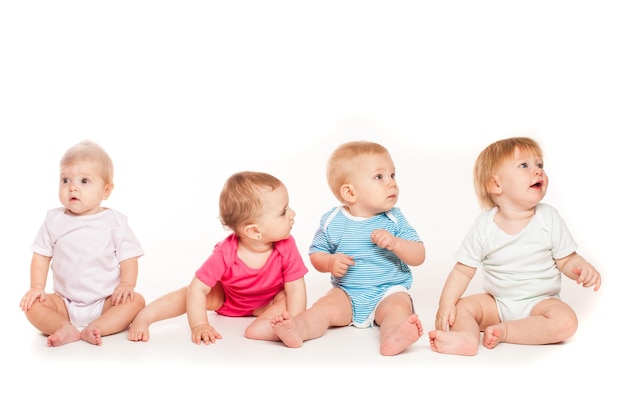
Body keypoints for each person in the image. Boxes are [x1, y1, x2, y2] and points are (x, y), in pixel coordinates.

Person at [429, 137, 601, 356]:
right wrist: (446, 304)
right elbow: (463, 270)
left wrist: (580, 267)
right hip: (497, 304)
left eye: (540, 165)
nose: (537, 171)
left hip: (541, 303)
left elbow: (566, 259)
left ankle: (506, 332)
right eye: (524, 165)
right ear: (496, 185)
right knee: (461, 308)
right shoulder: (484, 226)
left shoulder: (548, 218)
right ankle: (466, 338)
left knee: (566, 322)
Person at [271, 141, 425, 356]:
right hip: (347, 293)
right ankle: (299, 329)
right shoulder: (333, 221)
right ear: (350, 193)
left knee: (398, 308)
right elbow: (316, 254)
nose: (392, 183)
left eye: (393, 175)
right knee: (323, 308)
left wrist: (396, 244)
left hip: (388, 291)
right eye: (379, 177)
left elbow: (419, 255)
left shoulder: (394, 219)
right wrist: (330, 262)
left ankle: (394, 336)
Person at [128, 171, 307, 344]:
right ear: (254, 231)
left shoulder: (286, 245)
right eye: (283, 212)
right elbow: (198, 288)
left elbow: (295, 287)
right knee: (189, 293)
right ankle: (145, 316)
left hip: (268, 303)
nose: (292, 214)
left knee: (288, 298)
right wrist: (200, 325)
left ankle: (270, 326)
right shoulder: (225, 253)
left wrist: (296, 321)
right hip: (228, 300)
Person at [20, 140, 145, 347]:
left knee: (136, 301)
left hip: (105, 301)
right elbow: (41, 256)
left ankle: (99, 327)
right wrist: (36, 287)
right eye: (66, 180)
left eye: (84, 181)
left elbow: (128, 257)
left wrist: (126, 285)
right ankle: (63, 326)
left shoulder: (115, 222)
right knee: (32, 306)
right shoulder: (54, 220)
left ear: (106, 190)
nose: (73, 188)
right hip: (64, 302)